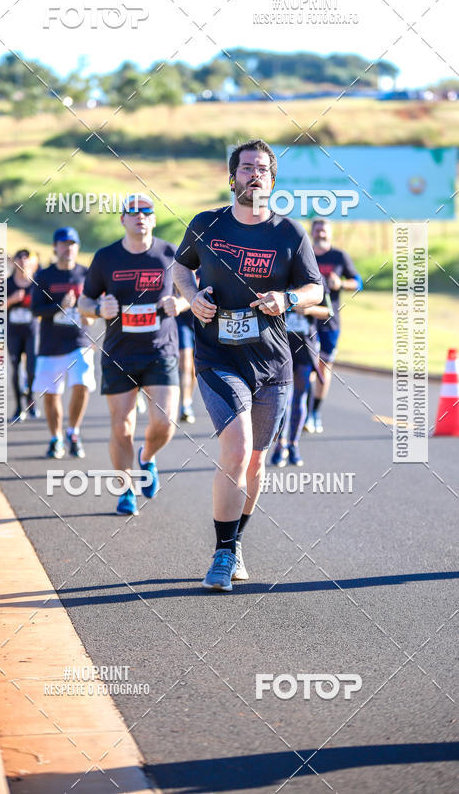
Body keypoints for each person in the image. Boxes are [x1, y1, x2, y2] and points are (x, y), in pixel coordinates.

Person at [173, 139, 323, 591]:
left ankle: (236, 541)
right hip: (217, 355)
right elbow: (180, 268)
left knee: (256, 461)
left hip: (273, 362)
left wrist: (288, 297)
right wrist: (191, 296)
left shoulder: (289, 234)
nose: (253, 175)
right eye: (245, 168)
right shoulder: (207, 224)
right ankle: (221, 553)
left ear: (272, 179)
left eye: (262, 168)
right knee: (236, 448)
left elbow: (316, 290)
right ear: (232, 177)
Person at [78, 193, 187, 516]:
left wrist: (178, 304)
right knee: (121, 426)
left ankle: (147, 458)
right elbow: (84, 302)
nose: (140, 216)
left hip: (160, 349)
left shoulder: (171, 254)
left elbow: (190, 291)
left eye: (146, 211)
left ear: (153, 219)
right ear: (122, 219)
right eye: (132, 211)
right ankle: (125, 491)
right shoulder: (106, 257)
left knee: (165, 422)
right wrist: (99, 308)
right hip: (119, 353)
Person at [31, 228, 95, 458]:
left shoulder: (87, 275)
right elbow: (35, 309)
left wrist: (91, 315)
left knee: (83, 383)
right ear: (55, 247)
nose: (68, 248)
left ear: (77, 247)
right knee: (51, 394)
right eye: (63, 244)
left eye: (72, 244)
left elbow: (95, 307)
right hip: (51, 344)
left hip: (79, 341)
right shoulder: (44, 276)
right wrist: (61, 306)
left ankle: (73, 431)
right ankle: (56, 437)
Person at [305, 219, 362, 434]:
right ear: (311, 232)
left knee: (323, 368)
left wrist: (342, 284)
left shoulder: (339, 256)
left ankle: (315, 413)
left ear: (330, 233)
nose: (320, 233)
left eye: (324, 230)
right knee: (305, 369)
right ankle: (302, 412)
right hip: (304, 322)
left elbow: (359, 282)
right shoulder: (304, 254)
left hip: (330, 322)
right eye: (317, 230)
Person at [270, 286, 333, 467]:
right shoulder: (279, 274)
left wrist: (308, 309)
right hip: (281, 348)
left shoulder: (313, 280)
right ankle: (279, 446)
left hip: (306, 348)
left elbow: (328, 311)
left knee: (300, 398)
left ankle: (293, 445)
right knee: (284, 401)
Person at [7, 248, 39, 423]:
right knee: (16, 368)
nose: (23, 261)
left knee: (32, 369)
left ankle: (30, 399)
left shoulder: (36, 284)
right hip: (13, 332)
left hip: (31, 332)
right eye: (19, 258)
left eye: (26, 258)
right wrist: (11, 300)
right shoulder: (7, 283)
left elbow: (43, 306)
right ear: (14, 262)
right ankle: (19, 407)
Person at [176, 292, 197, 423]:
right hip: (181, 320)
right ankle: (184, 405)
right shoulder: (176, 270)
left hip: (200, 319)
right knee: (185, 360)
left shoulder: (205, 271)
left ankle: (188, 400)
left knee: (195, 366)